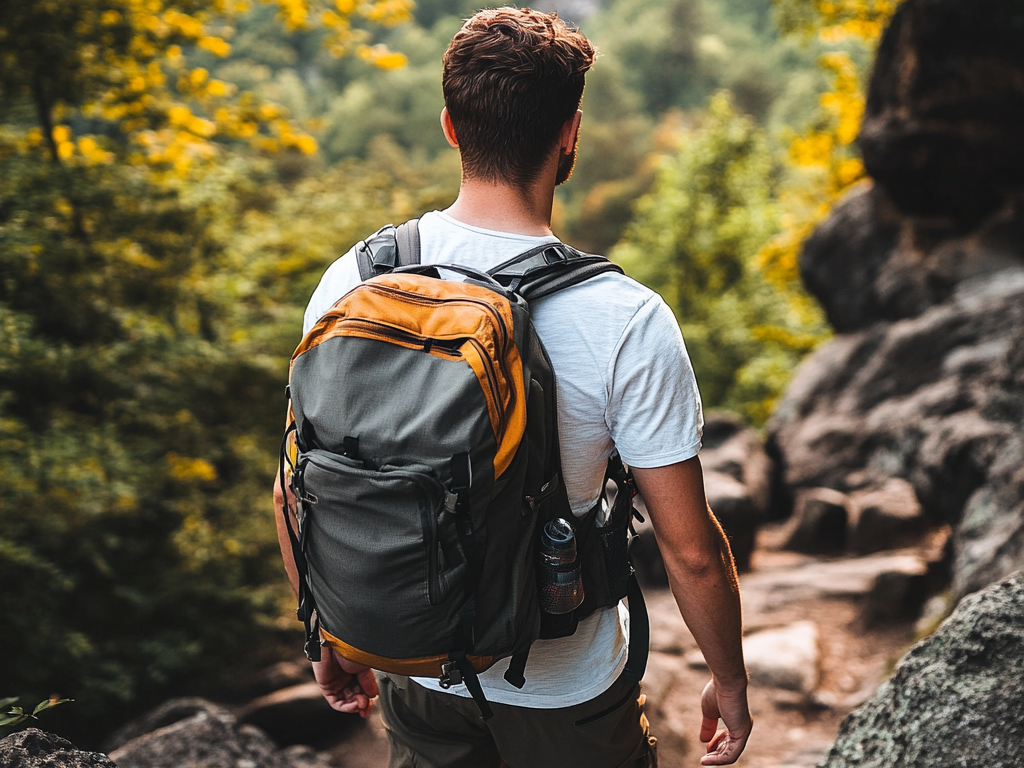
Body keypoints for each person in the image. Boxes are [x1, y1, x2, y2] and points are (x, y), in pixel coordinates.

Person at [275, 7, 752, 767]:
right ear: (570, 132)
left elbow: (297, 489)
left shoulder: (356, 280)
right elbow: (690, 551)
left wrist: (327, 633)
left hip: (418, 663)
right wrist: (728, 678)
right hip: (565, 691)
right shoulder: (623, 317)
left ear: (451, 127)